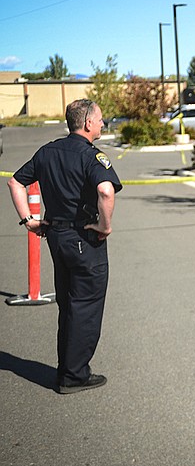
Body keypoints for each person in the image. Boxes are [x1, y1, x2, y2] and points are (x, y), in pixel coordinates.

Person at [7, 99, 123, 394]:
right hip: (84, 237)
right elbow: (105, 191)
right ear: (86, 123)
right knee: (85, 305)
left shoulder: (48, 151)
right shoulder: (91, 156)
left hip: (56, 237)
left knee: (69, 302)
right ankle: (74, 375)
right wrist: (105, 227)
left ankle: (67, 369)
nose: (102, 123)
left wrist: (29, 221)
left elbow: (15, 183)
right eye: (99, 119)